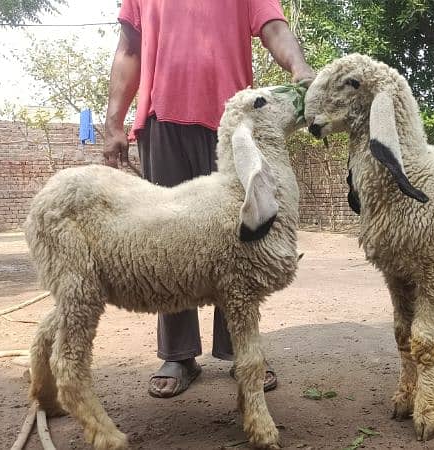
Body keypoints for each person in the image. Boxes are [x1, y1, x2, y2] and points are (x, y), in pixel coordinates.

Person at [102, 0, 314, 399]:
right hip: (162, 120)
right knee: (169, 240)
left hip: (233, 122)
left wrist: (299, 68)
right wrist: (115, 121)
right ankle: (178, 354)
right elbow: (129, 49)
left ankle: (240, 347)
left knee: (239, 240)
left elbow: (274, 28)